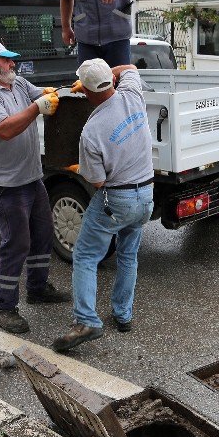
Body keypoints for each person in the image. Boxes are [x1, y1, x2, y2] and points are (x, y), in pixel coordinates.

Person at [52, 58, 154, 352]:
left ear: (84, 90)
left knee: (84, 255)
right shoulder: (132, 95)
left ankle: (86, 320)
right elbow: (131, 68)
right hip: (146, 194)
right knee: (128, 255)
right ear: (110, 81)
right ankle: (123, 315)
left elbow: (96, 182)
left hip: (117, 198)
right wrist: (112, 71)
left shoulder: (91, 130)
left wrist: (78, 168)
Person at [0, 40, 70, 334]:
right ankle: (4, 307)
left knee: (42, 234)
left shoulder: (18, 84)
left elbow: (43, 96)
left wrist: (59, 93)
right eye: (7, 60)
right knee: (16, 243)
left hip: (30, 176)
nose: (13, 64)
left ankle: (37, 288)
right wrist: (37, 108)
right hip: (5, 184)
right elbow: (5, 129)